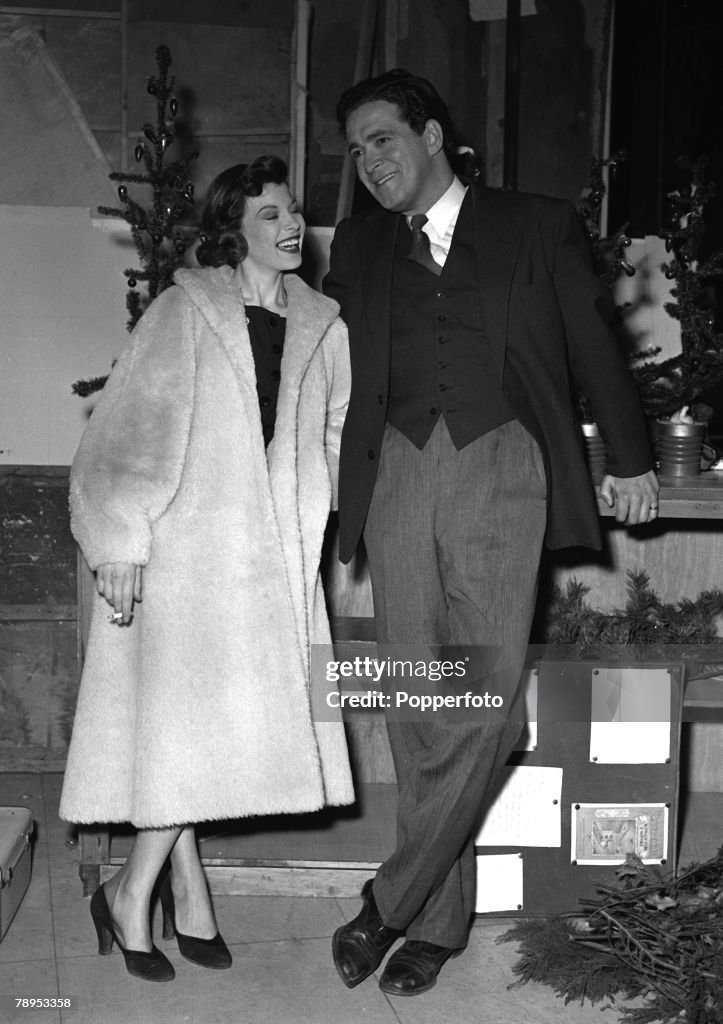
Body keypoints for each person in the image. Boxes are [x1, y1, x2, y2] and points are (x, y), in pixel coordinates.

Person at [323, 68, 659, 997]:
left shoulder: (533, 223)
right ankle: (432, 925)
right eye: (355, 151)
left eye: (381, 139)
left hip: (501, 466)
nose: (368, 162)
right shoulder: (355, 243)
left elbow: (595, 344)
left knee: (484, 703)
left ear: (431, 136)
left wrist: (630, 458)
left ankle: (388, 899)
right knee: (412, 698)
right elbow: (324, 361)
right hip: (393, 474)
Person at [60, 155, 354, 982]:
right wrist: (118, 541)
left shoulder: (323, 325)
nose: (290, 224)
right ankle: (135, 891)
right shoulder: (186, 311)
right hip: (184, 554)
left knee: (196, 738)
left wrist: (313, 515)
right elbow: (127, 433)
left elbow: (329, 433)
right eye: (269, 214)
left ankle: (176, 892)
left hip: (270, 560)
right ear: (233, 232)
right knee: (193, 735)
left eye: (293, 210)